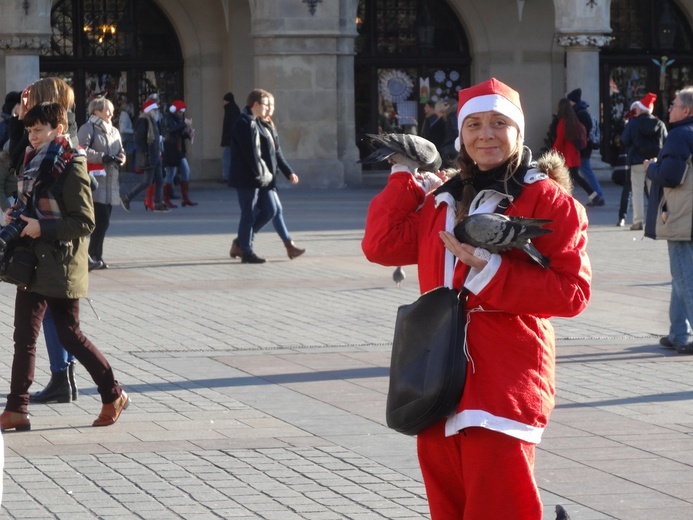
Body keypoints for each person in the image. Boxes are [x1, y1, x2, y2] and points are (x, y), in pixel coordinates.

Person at [362, 78, 591, 519]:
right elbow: (381, 244)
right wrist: (403, 177)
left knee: (500, 507)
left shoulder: (548, 200)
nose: (486, 134)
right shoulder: (440, 200)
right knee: (448, 507)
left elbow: (573, 293)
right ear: (461, 134)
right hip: (434, 372)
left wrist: (493, 273)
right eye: (475, 124)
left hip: (503, 377)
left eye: (499, 123)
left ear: (519, 132)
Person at [0, 102, 129, 432]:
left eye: (39, 130)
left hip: (61, 264)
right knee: (23, 337)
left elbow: (85, 221)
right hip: (33, 262)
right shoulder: (32, 161)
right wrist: (16, 216)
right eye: (29, 130)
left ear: (58, 129)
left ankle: (113, 394)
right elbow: (30, 204)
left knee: (70, 336)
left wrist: (42, 228)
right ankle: (17, 409)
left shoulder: (71, 165)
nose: (32, 137)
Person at [7, 77, 81, 405]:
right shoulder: (54, 132)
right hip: (48, 234)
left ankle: (64, 378)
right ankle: (62, 376)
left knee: (56, 317)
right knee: (58, 317)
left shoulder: (55, 141)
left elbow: (14, 157)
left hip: (50, 237)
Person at [644, 86, 693, 353]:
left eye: (674, 104)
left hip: (683, 216)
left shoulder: (679, 136)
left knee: (685, 278)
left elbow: (671, 176)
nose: (670, 108)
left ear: (686, 110)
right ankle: (678, 334)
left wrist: (651, 168)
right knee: (682, 276)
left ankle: (683, 334)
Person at [249, 92, 305, 259]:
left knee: (276, 210)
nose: (270, 109)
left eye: (272, 106)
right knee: (271, 211)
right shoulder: (256, 125)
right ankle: (242, 241)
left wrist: (289, 172)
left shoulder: (269, 125)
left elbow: (277, 153)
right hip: (261, 177)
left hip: (270, 177)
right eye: (267, 105)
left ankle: (289, 246)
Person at [228, 88, 275, 264]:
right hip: (247, 178)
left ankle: (242, 243)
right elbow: (251, 154)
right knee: (248, 214)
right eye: (265, 104)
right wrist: (262, 175)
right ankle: (246, 251)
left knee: (267, 210)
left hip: (255, 177)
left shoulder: (253, 121)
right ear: (255, 104)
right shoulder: (244, 122)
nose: (267, 108)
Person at [78, 96, 125, 270]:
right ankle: (92, 256)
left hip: (111, 181)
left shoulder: (114, 130)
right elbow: (81, 150)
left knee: (104, 222)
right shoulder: (88, 128)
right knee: (100, 221)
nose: (111, 113)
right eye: (108, 110)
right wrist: (102, 157)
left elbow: (121, 149)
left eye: (112, 110)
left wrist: (122, 158)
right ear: (96, 111)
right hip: (95, 182)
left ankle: (96, 256)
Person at [620, 93, 667, 231]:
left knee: (637, 192)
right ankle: (659, 220)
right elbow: (666, 141)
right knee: (656, 192)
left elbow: (624, 140)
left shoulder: (633, 123)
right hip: (654, 161)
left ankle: (638, 221)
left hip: (636, 162)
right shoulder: (659, 123)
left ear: (640, 109)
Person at [120, 99, 169, 212]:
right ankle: (127, 197)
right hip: (149, 156)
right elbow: (140, 139)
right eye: (155, 110)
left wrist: (159, 139)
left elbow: (153, 137)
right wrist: (146, 153)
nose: (157, 112)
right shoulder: (143, 121)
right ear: (150, 110)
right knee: (147, 181)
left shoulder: (151, 120)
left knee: (160, 179)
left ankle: (157, 203)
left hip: (154, 155)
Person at [552, 98, 601, 202]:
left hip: (567, 156)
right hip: (574, 155)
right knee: (575, 177)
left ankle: (592, 196)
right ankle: (594, 196)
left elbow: (559, 140)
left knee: (569, 178)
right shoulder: (574, 120)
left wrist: (552, 153)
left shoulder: (563, 122)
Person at [567, 88, 605, 206]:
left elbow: (583, 132)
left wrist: (580, 144)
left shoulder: (580, 113)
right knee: (584, 172)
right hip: (584, 147)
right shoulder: (582, 112)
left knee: (586, 173)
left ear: (572, 101)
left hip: (583, 148)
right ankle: (596, 195)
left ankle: (598, 195)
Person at [162, 100, 197, 207]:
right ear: (175, 111)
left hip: (178, 150)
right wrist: (184, 125)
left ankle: (184, 198)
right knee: (171, 174)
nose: (181, 114)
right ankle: (166, 199)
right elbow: (171, 131)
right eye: (180, 112)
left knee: (183, 171)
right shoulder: (168, 118)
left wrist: (188, 134)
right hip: (171, 150)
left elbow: (180, 133)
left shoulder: (178, 119)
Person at [221, 92, 241, 183]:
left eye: (224, 100)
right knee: (229, 156)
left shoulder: (230, 109)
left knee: (226, 156)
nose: (223, 102)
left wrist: (228, 137)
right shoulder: (233, 108)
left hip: (231, 138)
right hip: (232, 137)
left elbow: (230, 125)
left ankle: (227, 176)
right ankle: (230, 176)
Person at [118, 99, 135, 170]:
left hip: (125, 139)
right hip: (126, 139)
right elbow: (122, 129)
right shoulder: (125, 116)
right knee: (128, 154)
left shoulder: (123, 115)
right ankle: (127, 170)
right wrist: (133, 131)